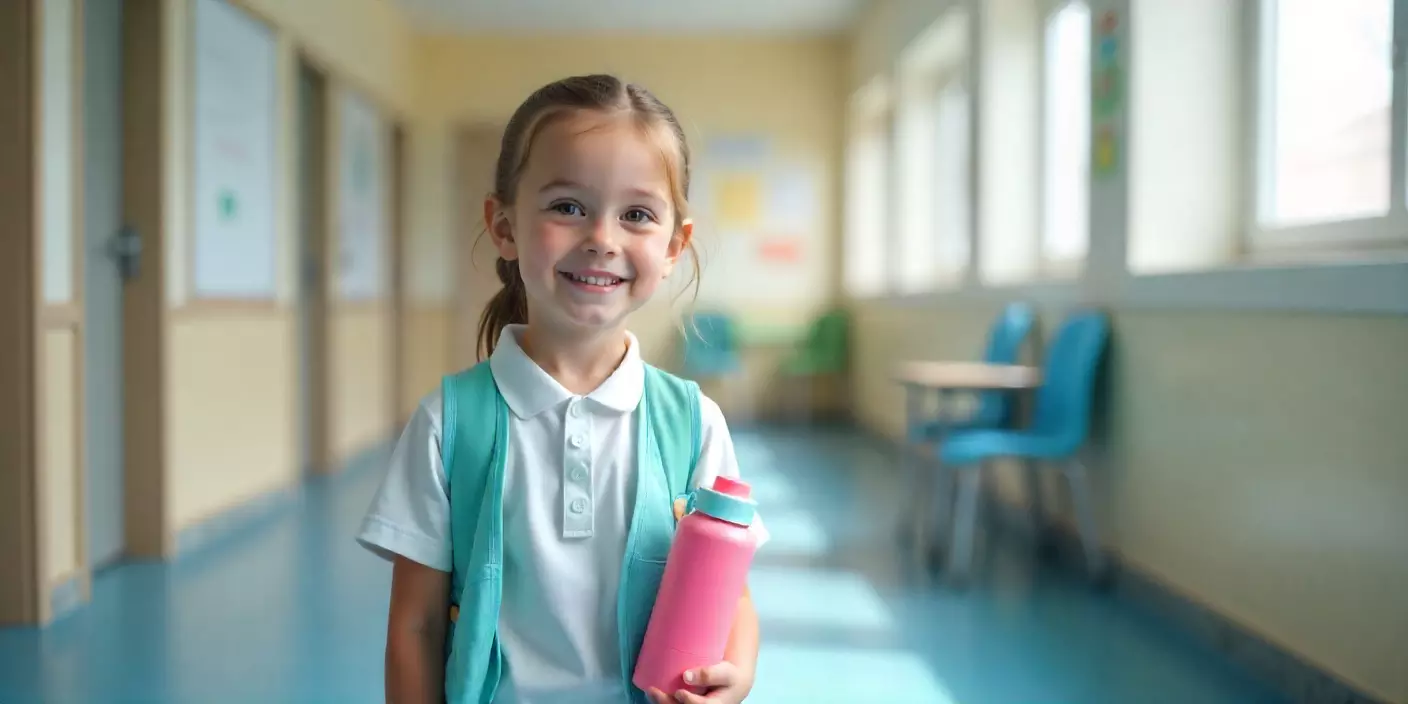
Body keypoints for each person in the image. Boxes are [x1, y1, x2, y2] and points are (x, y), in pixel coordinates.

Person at [356, 74, 767, 704]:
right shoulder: (450, 423)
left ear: (674, 246)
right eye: (567, 206)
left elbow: (731, 599)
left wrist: (733, 678)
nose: (602, 239)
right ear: (505, 226)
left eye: (636, 214)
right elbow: (414, 625)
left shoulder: (692, 423)